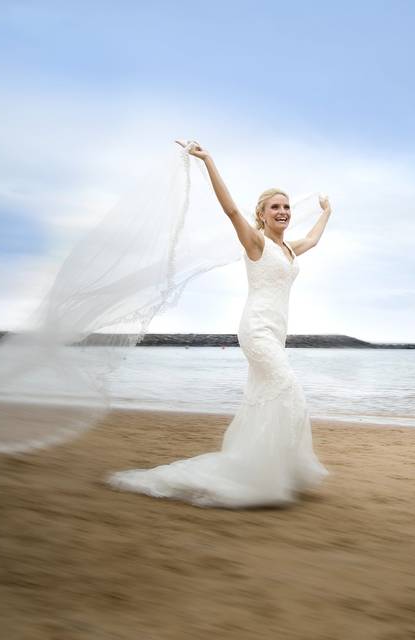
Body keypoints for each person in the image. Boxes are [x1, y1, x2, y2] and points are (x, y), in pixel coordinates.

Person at [106, 141, 333, 508]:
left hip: (277, 333)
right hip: (256, 329)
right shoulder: (256, 242)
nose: (284, 211)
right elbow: (229, 209)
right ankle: (260, 474)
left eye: (287, 207)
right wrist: (208, 160)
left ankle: (269, 470)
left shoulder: (289, 249)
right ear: (261, 214)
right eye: (275, 206)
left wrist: (327, 211)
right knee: (287, 389)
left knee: (266, 399)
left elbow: (313, 239)